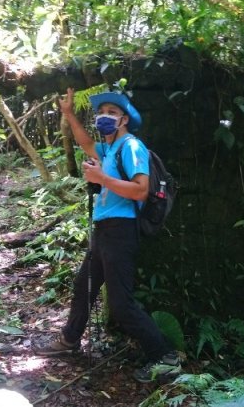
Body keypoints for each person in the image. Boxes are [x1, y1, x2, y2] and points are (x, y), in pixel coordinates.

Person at [34, 87, 181, 384]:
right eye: (101, 113)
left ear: (124, 119)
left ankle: (166, 356)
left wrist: (101, 178)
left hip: (121, 230)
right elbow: (86, 142)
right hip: (103, 230)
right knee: (83, 287)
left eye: (112, 113)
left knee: (122, 304)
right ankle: (70, 340)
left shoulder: (132, 146)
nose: (104, 117)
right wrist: (69, 114)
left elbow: (141, 189)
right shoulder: (110, 148)